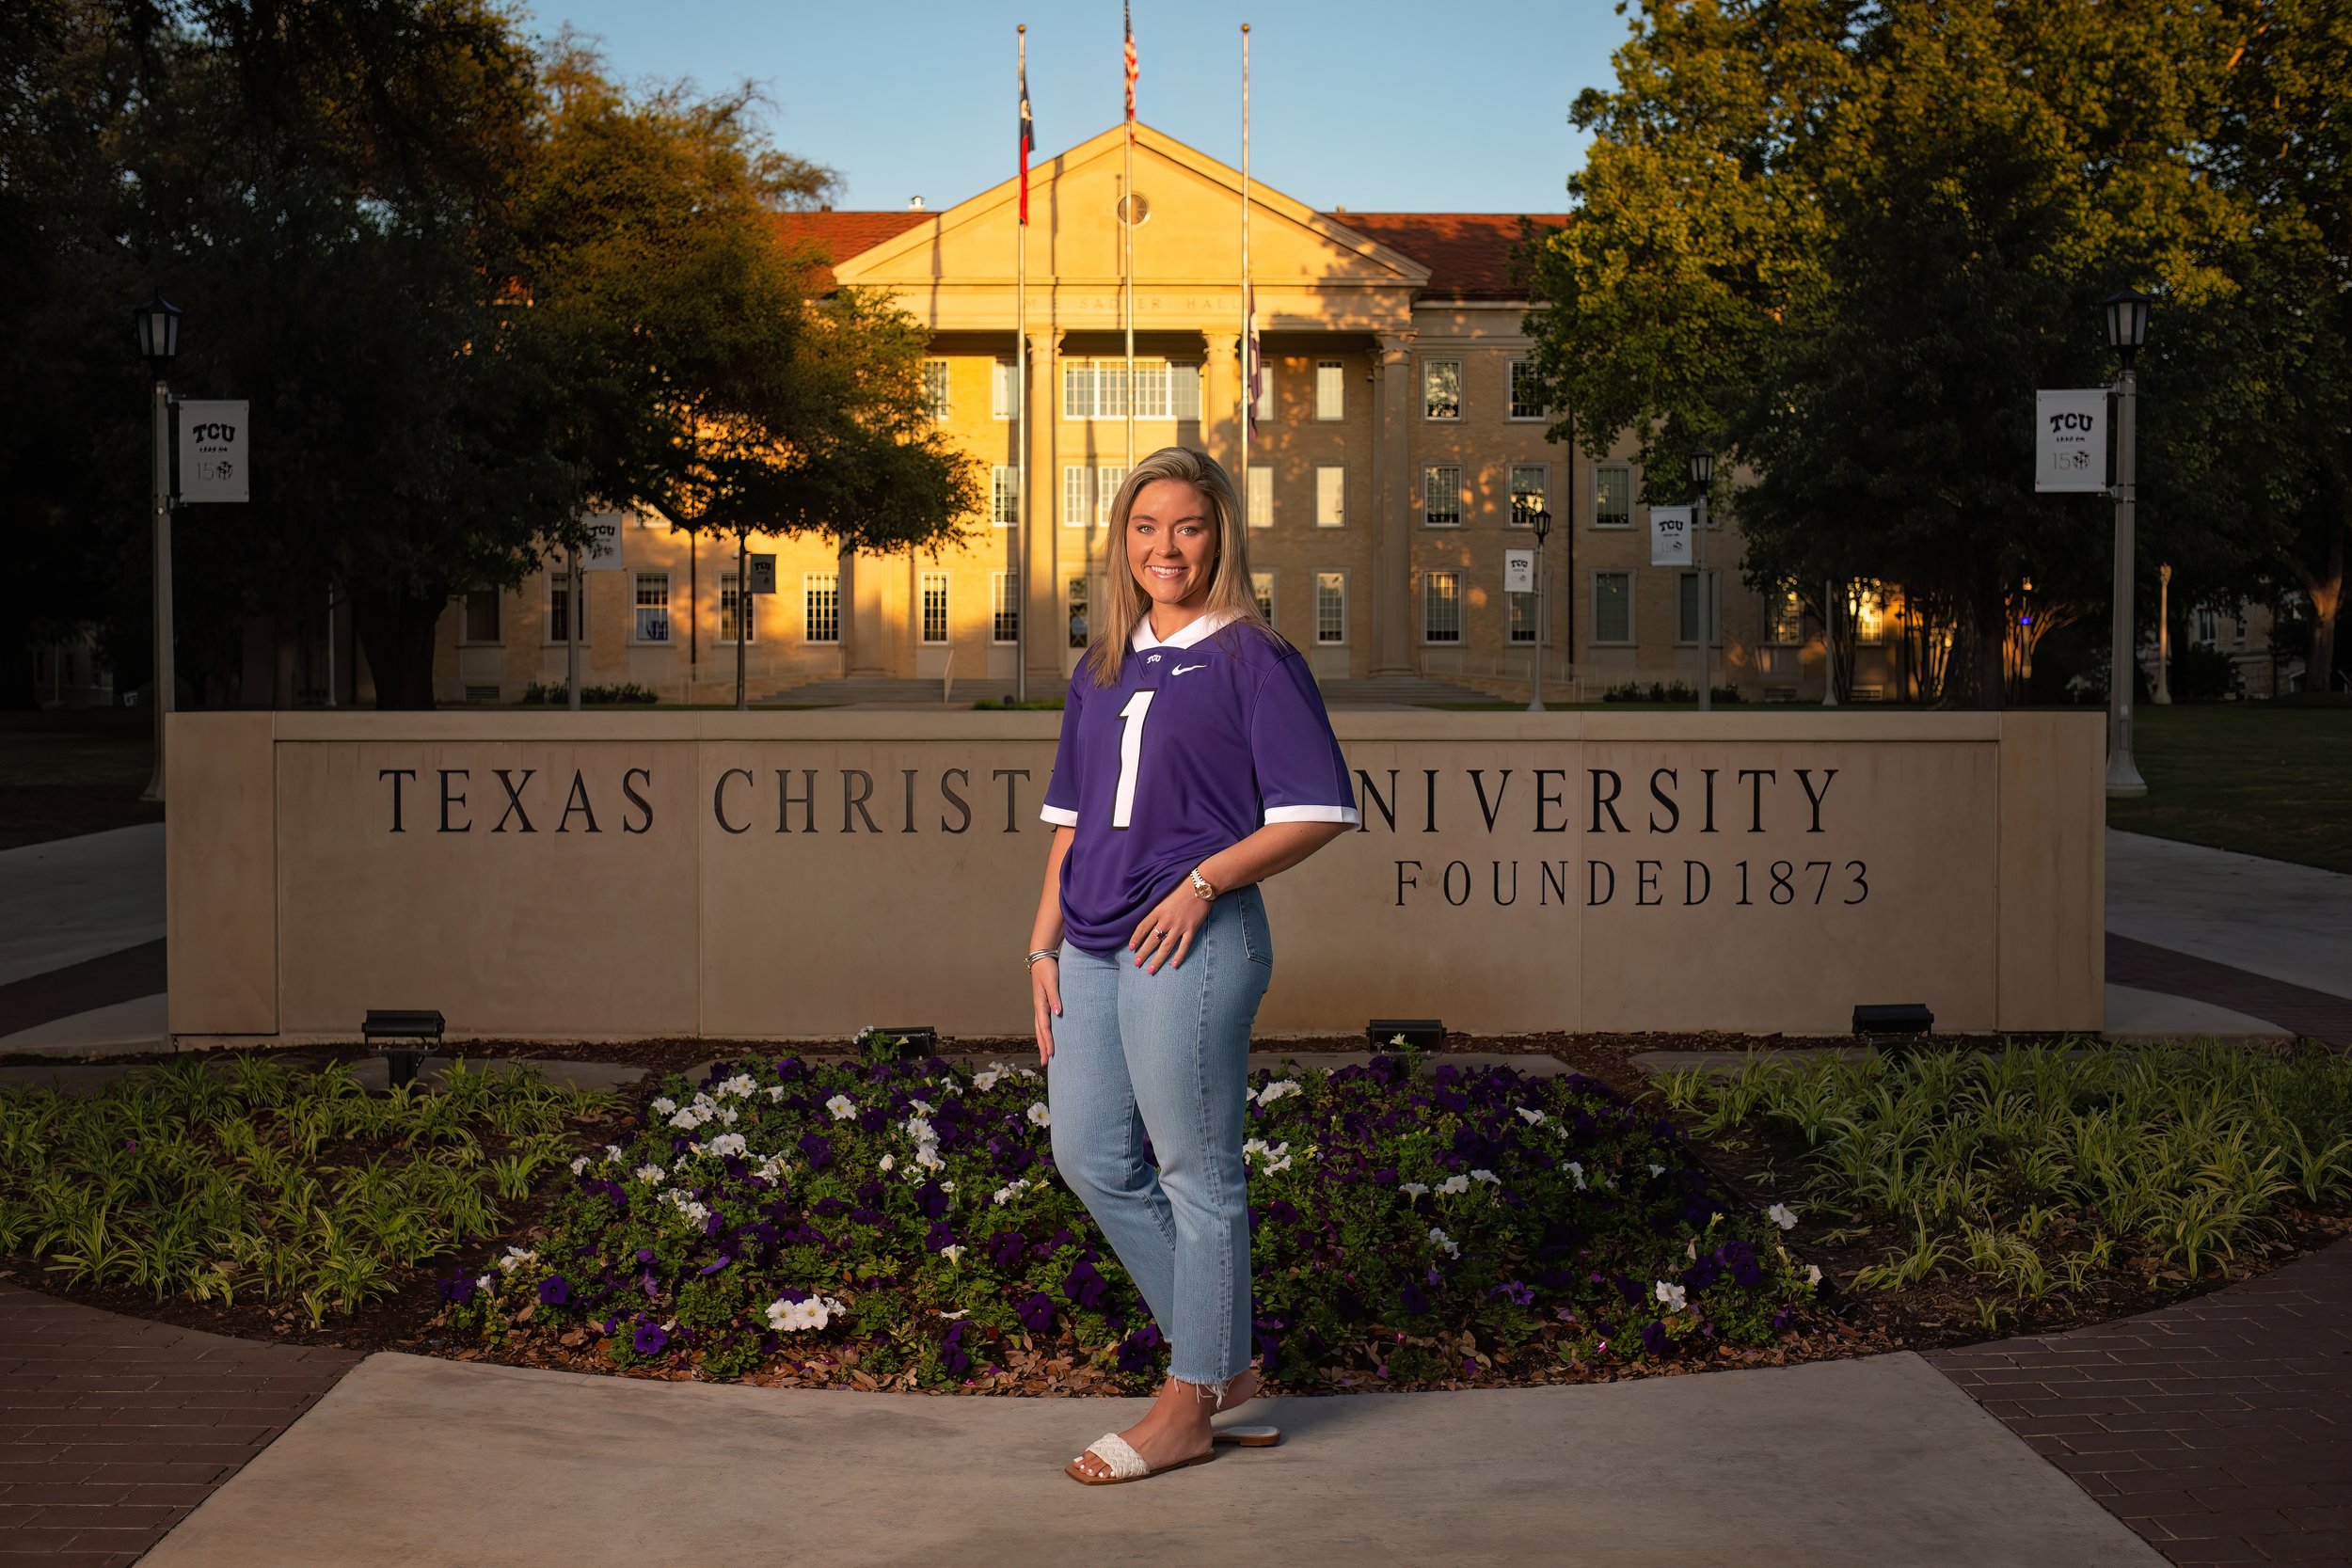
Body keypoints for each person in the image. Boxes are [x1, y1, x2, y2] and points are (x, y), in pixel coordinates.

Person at [1025, 446, 1357, 1485]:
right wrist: (1041, 941)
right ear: (1122, 541)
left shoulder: (1254, 655)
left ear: (1220, 537)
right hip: (1090, 940)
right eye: (1145, 526)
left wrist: (1204, 883)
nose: (1165, 546)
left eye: (1188, 526)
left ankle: (1185, 1404)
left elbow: (1315, 810)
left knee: (1194, 1171)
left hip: (1191, 936)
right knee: (1088, 1155)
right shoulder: (1103, 663)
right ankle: (1224, 1365)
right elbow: (1070, 821)